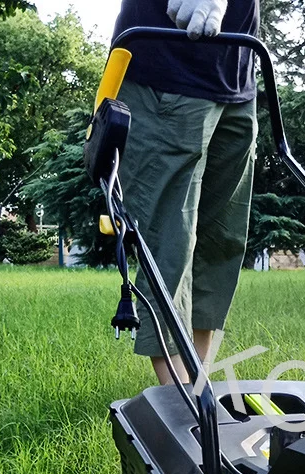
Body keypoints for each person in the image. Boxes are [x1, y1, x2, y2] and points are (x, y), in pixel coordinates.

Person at [111, 0, 260, 384]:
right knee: (169, 245)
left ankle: (197, 388)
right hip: (163, 70)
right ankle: (180, 409)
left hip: (236, 72)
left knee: (220, 243)